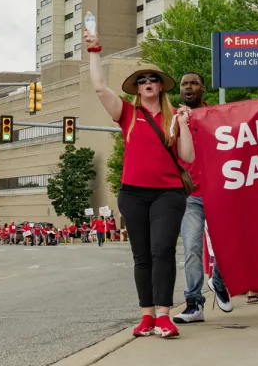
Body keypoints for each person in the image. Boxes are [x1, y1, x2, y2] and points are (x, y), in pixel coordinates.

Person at [84, 25, 194, 338]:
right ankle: (146, 315)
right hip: (132, 194)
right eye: (142, 80)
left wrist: (185, 126)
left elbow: (187, 156)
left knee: (163, 251)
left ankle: (163, 315)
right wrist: (95, 51)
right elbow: (99, 88)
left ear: (161, 87)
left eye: (152, 79)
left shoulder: (173, 117)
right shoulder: (128, 114)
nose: (147, 83)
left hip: (168, 194)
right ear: (137, 88)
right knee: (142, 256)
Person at [175, 72, 233, 324]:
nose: (189, 87)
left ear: (203, 88)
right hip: (190, 196)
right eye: (184, 84)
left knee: (228, 243)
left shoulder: (217, 117)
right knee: (192, 249)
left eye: (193, 83)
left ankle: (218, 281)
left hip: (218, 191)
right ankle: (194, 303)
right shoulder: (173, 119)